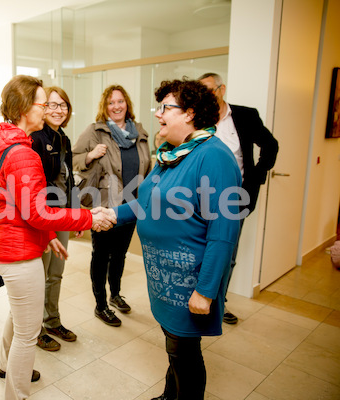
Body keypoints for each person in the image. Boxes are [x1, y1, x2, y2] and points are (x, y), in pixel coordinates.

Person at [0, 75, 115, 400]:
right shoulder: (23, 153)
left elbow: (19, 204)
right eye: (42, 103)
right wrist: (88, 216)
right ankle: (18, 395)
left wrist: (50, 234)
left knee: (17, 314)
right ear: (26, 107)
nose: (47, 109)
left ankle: (5, 366)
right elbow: (37, 211)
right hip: (18, 252)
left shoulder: (4, 143)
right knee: (28, 335)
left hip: (7, 243)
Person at [112, 78, 242, 400]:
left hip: (189, 283)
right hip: (164, 279)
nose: (158, 114)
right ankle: (170, 396)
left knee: (186, 355)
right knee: (175, 349)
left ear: (190, 113)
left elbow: (224, 232)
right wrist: (111, 215)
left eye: (166, 107)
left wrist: (206, 290)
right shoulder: (172, 154)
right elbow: (146, 202)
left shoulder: (214, 157)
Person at [198, 72, 278, 324]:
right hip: (200, 200)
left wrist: (257, 175)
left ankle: (218, 304)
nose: (206, 97)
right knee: (201, 251)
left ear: (222, 89)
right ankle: (198, 299)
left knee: (227, 254)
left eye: (210, 90)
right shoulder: (198, 119)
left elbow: (270, 144)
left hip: (235, 200)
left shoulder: (245, 116)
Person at [72, 84, 151, 327]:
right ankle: (101, 305)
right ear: (104, 107)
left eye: (120, 101)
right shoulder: (95, 131)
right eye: (111, 103)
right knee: (101, 255)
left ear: (127, 104)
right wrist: (91, 155)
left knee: (120, 253)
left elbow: (147, 164)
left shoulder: (139, 131)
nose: (116, 106)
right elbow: (73, 158)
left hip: (131, 204)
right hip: (104, 204)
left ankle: (115, 294)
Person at [30, 86, 78, 352]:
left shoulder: (64, 139)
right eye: (52, 105)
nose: (59, 110)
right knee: (42, 273)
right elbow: (38, 185)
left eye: (63, 105)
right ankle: (36, 329)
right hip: (44, 217)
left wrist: (74, 215)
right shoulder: (36, 138)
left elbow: (68, 180)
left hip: (62, 215)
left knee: (56, 274)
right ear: (42, 108)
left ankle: (53, 320)